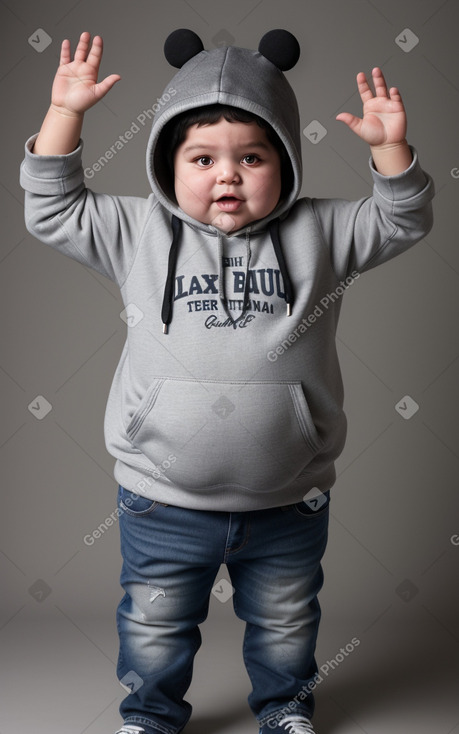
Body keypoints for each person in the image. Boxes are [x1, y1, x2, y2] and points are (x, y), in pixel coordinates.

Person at [20, 28, 434, 734]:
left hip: (287, 497)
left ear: (286, 162)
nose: (227, 176)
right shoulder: (138, 231)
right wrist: (65, 116)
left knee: (285, 619)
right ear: (165, 163)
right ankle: (149, 716)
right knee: (153, 622)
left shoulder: (321, 234)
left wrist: (388, 150)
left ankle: (284, 709)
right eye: (202, 158)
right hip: (160, 495)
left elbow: (403, 218)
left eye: (252, 157)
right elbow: (52, 211)